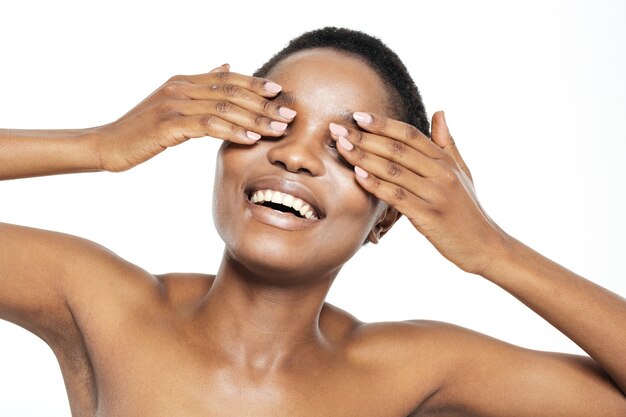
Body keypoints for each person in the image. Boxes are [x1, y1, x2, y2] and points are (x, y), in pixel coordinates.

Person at [1, 26, 625, 416]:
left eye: (342, 148)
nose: (294, 156)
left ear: (387, 218)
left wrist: (492, 250)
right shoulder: (101, 304)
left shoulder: (411, 370)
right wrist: (99, 144)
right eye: (273, 123)